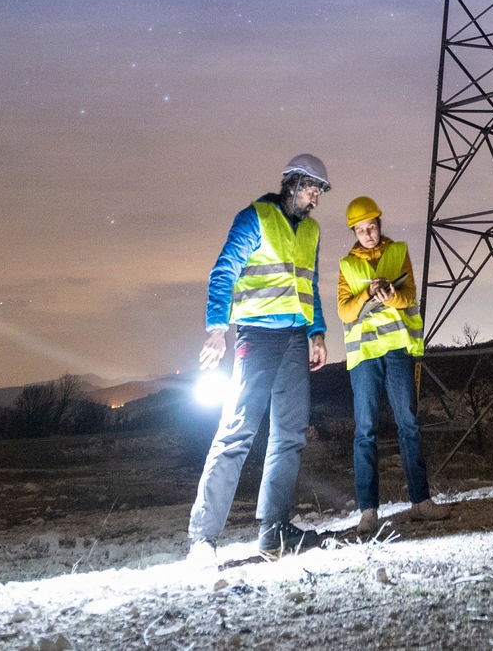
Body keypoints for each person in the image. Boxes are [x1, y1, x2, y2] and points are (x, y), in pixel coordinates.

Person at [186, 153, 331, 564]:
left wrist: (316, 332)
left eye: (320, 191)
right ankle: (203, 539)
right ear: (292, 183)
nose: (315, 198)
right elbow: (224, 271)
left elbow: (310, 285)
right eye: (310, 188)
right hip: (257, 335)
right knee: (237, 431)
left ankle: (274, 532)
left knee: (290, 434)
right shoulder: (255, 217)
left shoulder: (312, 231)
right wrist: (218, 329)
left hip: (295, 339)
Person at [335, 196, 448, 532]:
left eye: (372, 227)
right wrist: (367, 295)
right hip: (365, 356)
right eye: (361, 229)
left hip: (397, 348)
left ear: (379, 225)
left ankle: (420, 501)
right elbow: (343, 311)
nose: (368, 233)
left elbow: (410, 296)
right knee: (365, 431)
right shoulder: (347, 265)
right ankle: (368, 511)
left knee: (408, 424)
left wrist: (391, 296)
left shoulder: (398, 253)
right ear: (354, 232)